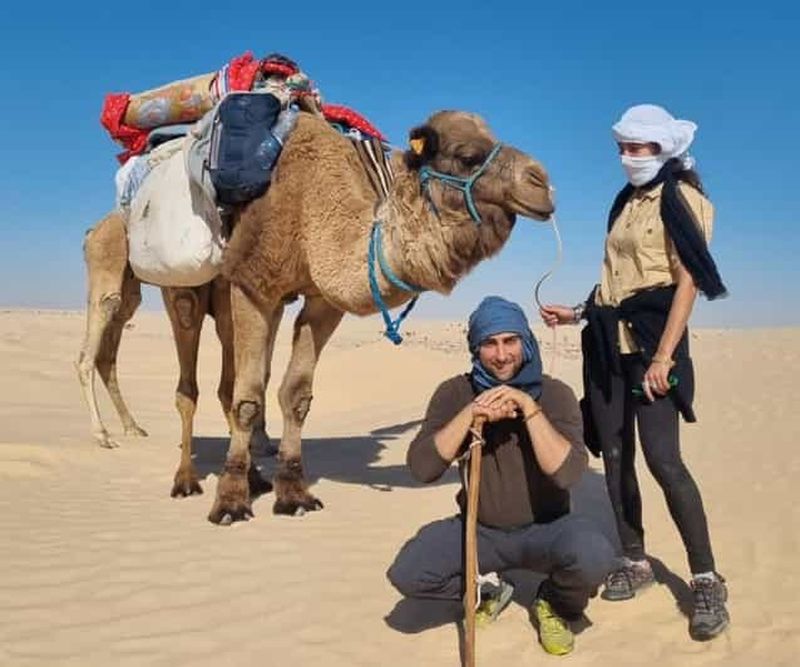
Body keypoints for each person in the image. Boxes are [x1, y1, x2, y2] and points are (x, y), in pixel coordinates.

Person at [540, 104, 729, 641]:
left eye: (640, 148)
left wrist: (665, 358)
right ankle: (635, 560)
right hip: (607, 347)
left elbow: (686, 282)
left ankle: (706, 577)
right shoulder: (623, 203)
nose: (629, 157)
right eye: (623, 147)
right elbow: (614, 282)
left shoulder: (684, 198)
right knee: (617, 455)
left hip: (653, 347)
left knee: (664, 461)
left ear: (663, 149)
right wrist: (576, 312)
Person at [387, 296, 615, 656]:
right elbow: (422, 468)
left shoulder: (555, 394)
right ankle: (487, 590)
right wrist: (469, 415)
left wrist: (528, 409)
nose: (501, 354)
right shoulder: (455, 392)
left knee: (595, 557)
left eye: (510, 341)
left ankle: (554, 603)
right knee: (409, 573)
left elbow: (569, 474)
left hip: (548, 528)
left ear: (525, 342)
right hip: (481, 530)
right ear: (476, 349)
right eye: (489, 344)